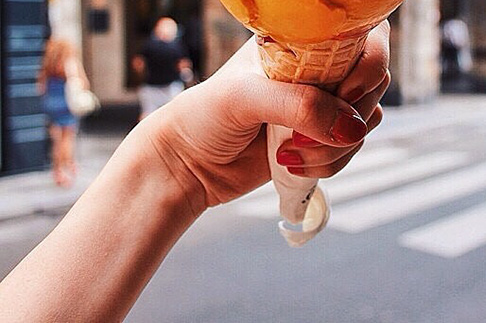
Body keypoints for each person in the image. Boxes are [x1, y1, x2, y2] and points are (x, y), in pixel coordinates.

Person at [0, 21, 390, 322]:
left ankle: (61, 167)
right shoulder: (170, 48)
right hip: (168, 94)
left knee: (65, 135)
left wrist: (178, 161)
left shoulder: (144, 48)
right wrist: (176, 160)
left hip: (147, 100)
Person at [38, 37, 91, 187]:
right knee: (67, 138)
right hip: (66, 104)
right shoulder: (70, 64)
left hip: (51, 103)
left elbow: (41, 87)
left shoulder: (48, 65)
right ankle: (67, 167)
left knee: (56, 140)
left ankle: (57, 171)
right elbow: (83, 82)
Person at [132, 16, 193, 120]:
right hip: (171, 87)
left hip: (151, 86)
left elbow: (138, 63)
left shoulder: (148, 45)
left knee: (147, 116)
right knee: (173, 116)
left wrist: (141, 75)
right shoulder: (177, 47)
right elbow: (183, 65)